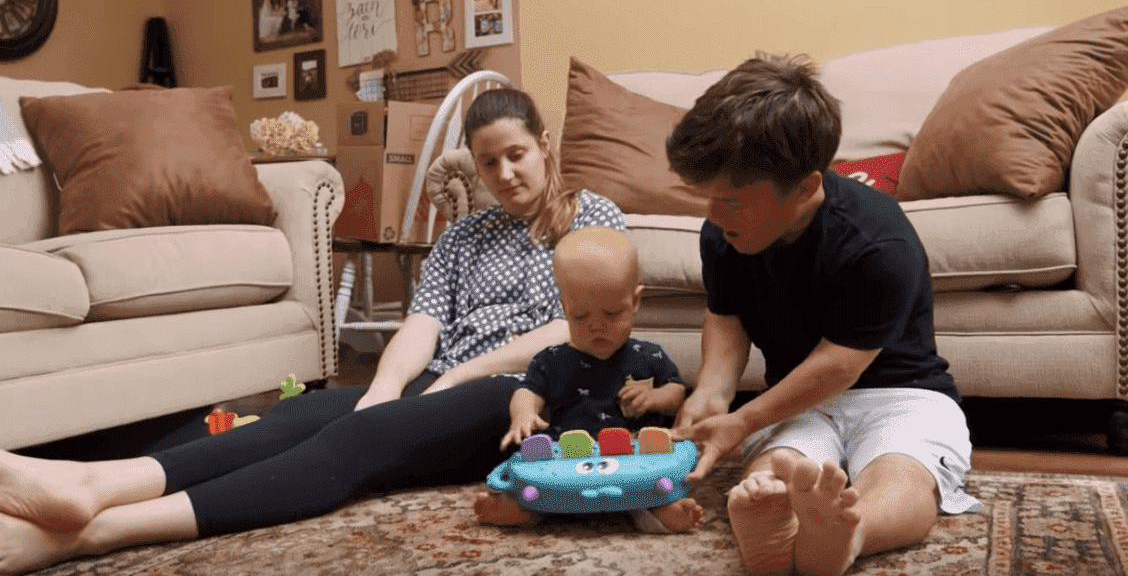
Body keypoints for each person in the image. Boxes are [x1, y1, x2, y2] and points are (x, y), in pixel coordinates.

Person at [0, 87, 626, 575]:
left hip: (528, 396)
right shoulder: (464, 235)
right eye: (489, 163)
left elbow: (563, 331)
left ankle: (87, 533)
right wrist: (384, 384)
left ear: (545, 144)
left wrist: (453, 377)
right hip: (439, 380)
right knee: (302, 414)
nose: (505, 173)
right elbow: (423, 322)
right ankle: (95, 484)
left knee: (359, 439)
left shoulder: (594, 216)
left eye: (516, 155)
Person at [666, 53, 980, 576]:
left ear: (807, 187)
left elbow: (840, 365)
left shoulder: (878, 240)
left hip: (900, 394)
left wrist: (742, 421)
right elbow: (727, 317)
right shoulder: (722, 231)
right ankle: (776, 527)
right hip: (795, 401)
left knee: (901, 471)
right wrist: (712, 393)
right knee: (778, 469)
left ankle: (852, 533)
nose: (715, 218)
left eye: (736, 203)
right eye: (709, 200)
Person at [473, 226, 703, 533]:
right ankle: (519, 511)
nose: (597, 326)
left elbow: (676, 393)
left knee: (653, 488)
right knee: (537, 491)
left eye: (612, 313)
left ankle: (664, 511)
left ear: (635, 301)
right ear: (565, 307)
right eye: (581, 316)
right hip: (568, 455)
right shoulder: (551, 360)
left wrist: (655, 398)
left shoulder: (649, 355)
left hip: (634, 454)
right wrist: (524, 414)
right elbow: (526, 391)